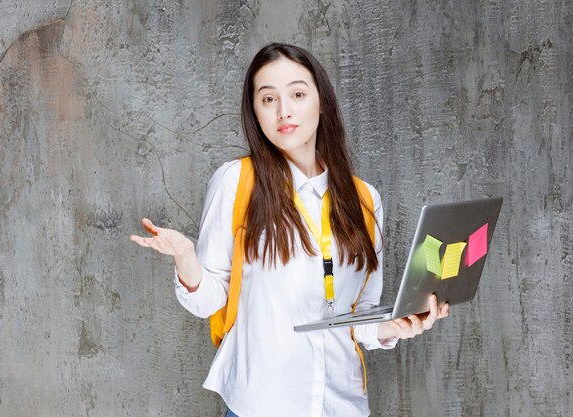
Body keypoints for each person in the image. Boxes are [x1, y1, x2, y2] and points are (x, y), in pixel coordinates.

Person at [131, 43, 449, 417]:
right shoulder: (237, 182)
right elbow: (209, 300)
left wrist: (396, 327)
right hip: (263, 404)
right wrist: (186, 257)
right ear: (255, 112)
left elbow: (358, 316)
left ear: (321, 102)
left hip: (341, 404)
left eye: (298, 94)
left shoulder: (363, 198)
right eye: (268, 99)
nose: (284, 111)